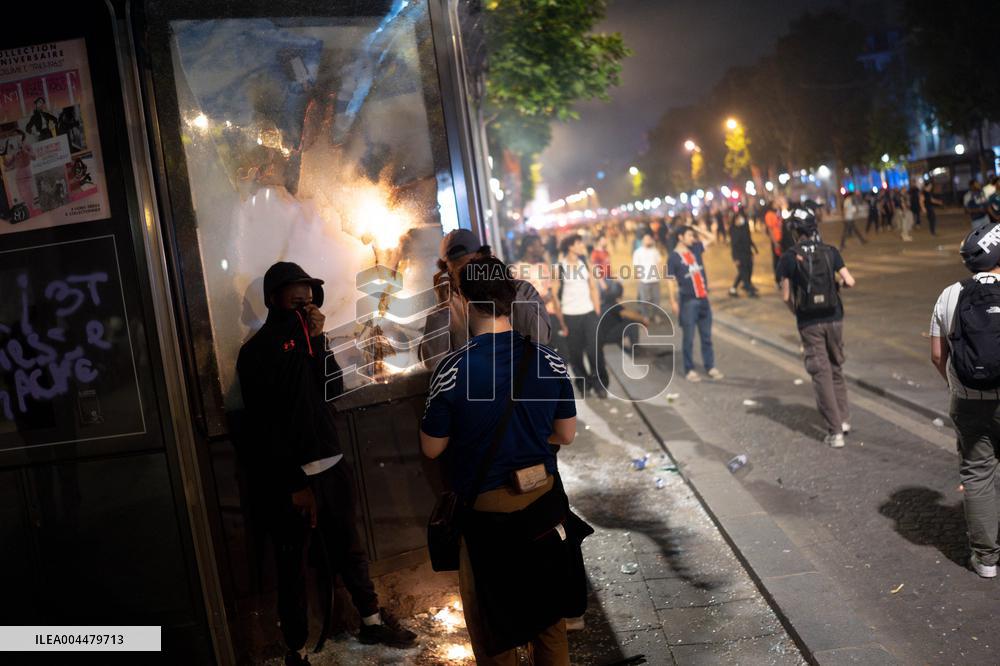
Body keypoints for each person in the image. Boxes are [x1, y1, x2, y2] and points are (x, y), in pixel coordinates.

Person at [236, 262, 417, 666]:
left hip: (332, 463)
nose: (303, 297)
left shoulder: (312, 340)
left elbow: (331, 389)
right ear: (273, 298)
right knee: (292, 566)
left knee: (350, 548)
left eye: (308, 291)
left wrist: (318, 342)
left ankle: (371, 622)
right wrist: (292, 482)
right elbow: (263, 427)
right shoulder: (256, 352)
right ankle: (296, 650)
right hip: (293, 479)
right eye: (293, 291)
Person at [420, 256, 590, 664]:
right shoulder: (549, 360)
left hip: (487, 521)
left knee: (495, 635)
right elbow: (565, 433)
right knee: (549, 627)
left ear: (462, 299)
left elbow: (432, 447)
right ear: (511, 298)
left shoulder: (451, 370)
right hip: (542, 510)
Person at [930, 223, 1000, 579]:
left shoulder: (948, 295)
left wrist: (957, 387)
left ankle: (986, 560)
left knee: (977, 473)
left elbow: (936, 354)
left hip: (968, 401)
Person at [777, 206, 856, 448]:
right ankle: (843, 420)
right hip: (834, 318)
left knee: (821, 374)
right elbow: (850, 281)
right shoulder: (830, 251)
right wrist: (837, 284)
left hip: (809, 322)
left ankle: (835, 433)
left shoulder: (789, 257)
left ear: (795, 231)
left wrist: (797, 311)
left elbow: (786, 295)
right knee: (836, 368)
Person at [420, 229, 551, 368]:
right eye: (457, 270)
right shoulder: (448, 305)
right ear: (448, 271)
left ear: (484, 258)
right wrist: (442, 307)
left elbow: (540, 338)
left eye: (469, 267)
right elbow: (433, 363)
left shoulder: (521, 290)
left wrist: (506, 287)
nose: (465, 276)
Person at [667, 225, 724, 382]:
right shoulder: (673, 257)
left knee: (706, 337)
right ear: (680, 237)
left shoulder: (696, 248)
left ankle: (710, 366)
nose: (693, 238)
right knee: (689, 338)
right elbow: (670, 280)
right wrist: (673, 301)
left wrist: (696, 229)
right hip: (687, 302)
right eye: (690, 236)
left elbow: (712, 238)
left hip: (703, 299)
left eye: (693, 236)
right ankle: (689, 369)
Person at [557, 234, 608, 397]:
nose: (582, 246)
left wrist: (597, 309)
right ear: (570, 246)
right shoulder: (559, 268)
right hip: (570, 315)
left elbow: (593, 287)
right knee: (576, 354)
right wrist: (561, 321)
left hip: (588, 313)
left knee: (595, 351)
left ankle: (599, 383)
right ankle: (583, 382)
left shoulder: (585, 263)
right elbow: (555, 297)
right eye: (579, 243)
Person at [728, 203, 759, 297]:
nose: (741, 220)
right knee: (744, 273)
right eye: (738, 219)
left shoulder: (744, 228)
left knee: (746, 272)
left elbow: (749, 240)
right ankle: (749, 290)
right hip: (739, 256)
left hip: (748, 254)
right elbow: (733, 246)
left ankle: (733, 289)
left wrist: (754, 249)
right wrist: (735, 258)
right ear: (735, 220)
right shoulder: (734, 231)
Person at [632, 232, 664, 321]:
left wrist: (661, 272)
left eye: (649, 239)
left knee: (656, 299)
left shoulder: (655, 251)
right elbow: (636, 266)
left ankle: (656, 315)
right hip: (644, 280)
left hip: (655, 279)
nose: (648, 241)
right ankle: (645, 316)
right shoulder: (638, 252)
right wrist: (638, 277)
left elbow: (659, 263)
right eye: (646, 239)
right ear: (642, 241)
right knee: (644, 300)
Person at [764, 202, 784, 284]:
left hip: (782, 240)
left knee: (782, 259)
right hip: (776, 240)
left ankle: (782, 277)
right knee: (777, 260)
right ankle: (778, 279)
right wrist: (775, 242)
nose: (778, 204)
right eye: (776, 203)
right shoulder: (769, 215)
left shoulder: (778, 213)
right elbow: (770, 229)